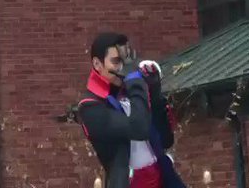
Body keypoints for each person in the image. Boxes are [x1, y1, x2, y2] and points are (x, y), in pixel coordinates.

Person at [78, 31, 187, 188]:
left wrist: (154, 92)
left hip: (162, 177)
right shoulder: (90, 106)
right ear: (97, 64)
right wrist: (136, 82)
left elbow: (166, 140)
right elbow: (138, 128)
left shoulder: (131, 90)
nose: (123, 67)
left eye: (127, 59)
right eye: (116, 61)